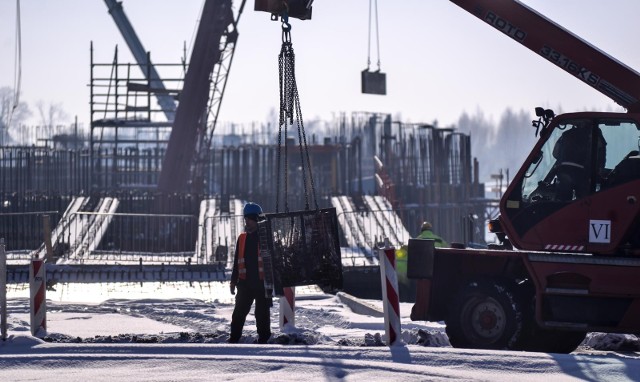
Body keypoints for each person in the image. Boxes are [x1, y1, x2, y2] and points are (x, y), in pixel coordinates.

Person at [229, 202, 272, 344]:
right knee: (239, 313)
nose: (246, 221)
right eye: (245, 219)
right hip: (245, 284)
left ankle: (263, 339)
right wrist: (233, 281)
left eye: (249, 219)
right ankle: (234, 338)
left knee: (262, 314)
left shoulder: (267, 238)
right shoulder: (242, 238)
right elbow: (237, 262)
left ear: (256, 219)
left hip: (262, 284)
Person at [552, 121, 606, 201]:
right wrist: (599, 169)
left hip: (564, 172)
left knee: (562, 204)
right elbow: (600, 153)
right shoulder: (595, 135)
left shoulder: (566, 134)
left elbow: (555, 153)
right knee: (585, 204)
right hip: (583, 173)